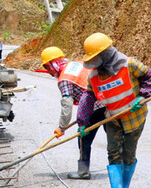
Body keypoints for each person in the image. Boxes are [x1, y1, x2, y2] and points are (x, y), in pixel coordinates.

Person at [76, 32, 151, 188]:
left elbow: (149, 77)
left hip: (134, 117)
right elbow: (88, 98)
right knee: (112, 152)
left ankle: (125, 186)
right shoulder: (94, 77)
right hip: (112, 118)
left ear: (105, 54)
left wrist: (142, 96)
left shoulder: (130, 65)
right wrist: (82, 121)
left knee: (128, 153)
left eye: (95, 57)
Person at [41, 46, 106, 180]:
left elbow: (67, 106)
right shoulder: (75, 64)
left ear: (52, 64)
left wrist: (61, 128)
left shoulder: (64, 79)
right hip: (108, 101)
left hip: (95, 106)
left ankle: (83, 172)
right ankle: (121, 167)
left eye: (47, 67)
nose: (48, 71)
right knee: (113, 136)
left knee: (83, 138)